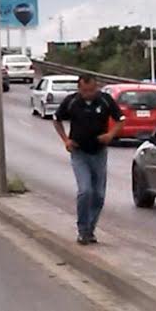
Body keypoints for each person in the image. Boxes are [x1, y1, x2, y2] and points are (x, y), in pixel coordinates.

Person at [53, 74, 124, 245]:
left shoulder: (105, 100)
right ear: (79, 89)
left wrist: (110, 135)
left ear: (96, 87)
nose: (88, 94)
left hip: (99, 152)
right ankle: (82, 229)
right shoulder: (72, 102)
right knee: (85, 190)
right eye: (85, 91)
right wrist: (65, 140)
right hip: (79, 152)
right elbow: (57, 119)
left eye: (91, 90)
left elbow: (120, 120)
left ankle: (90, 229)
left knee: (98, 195)